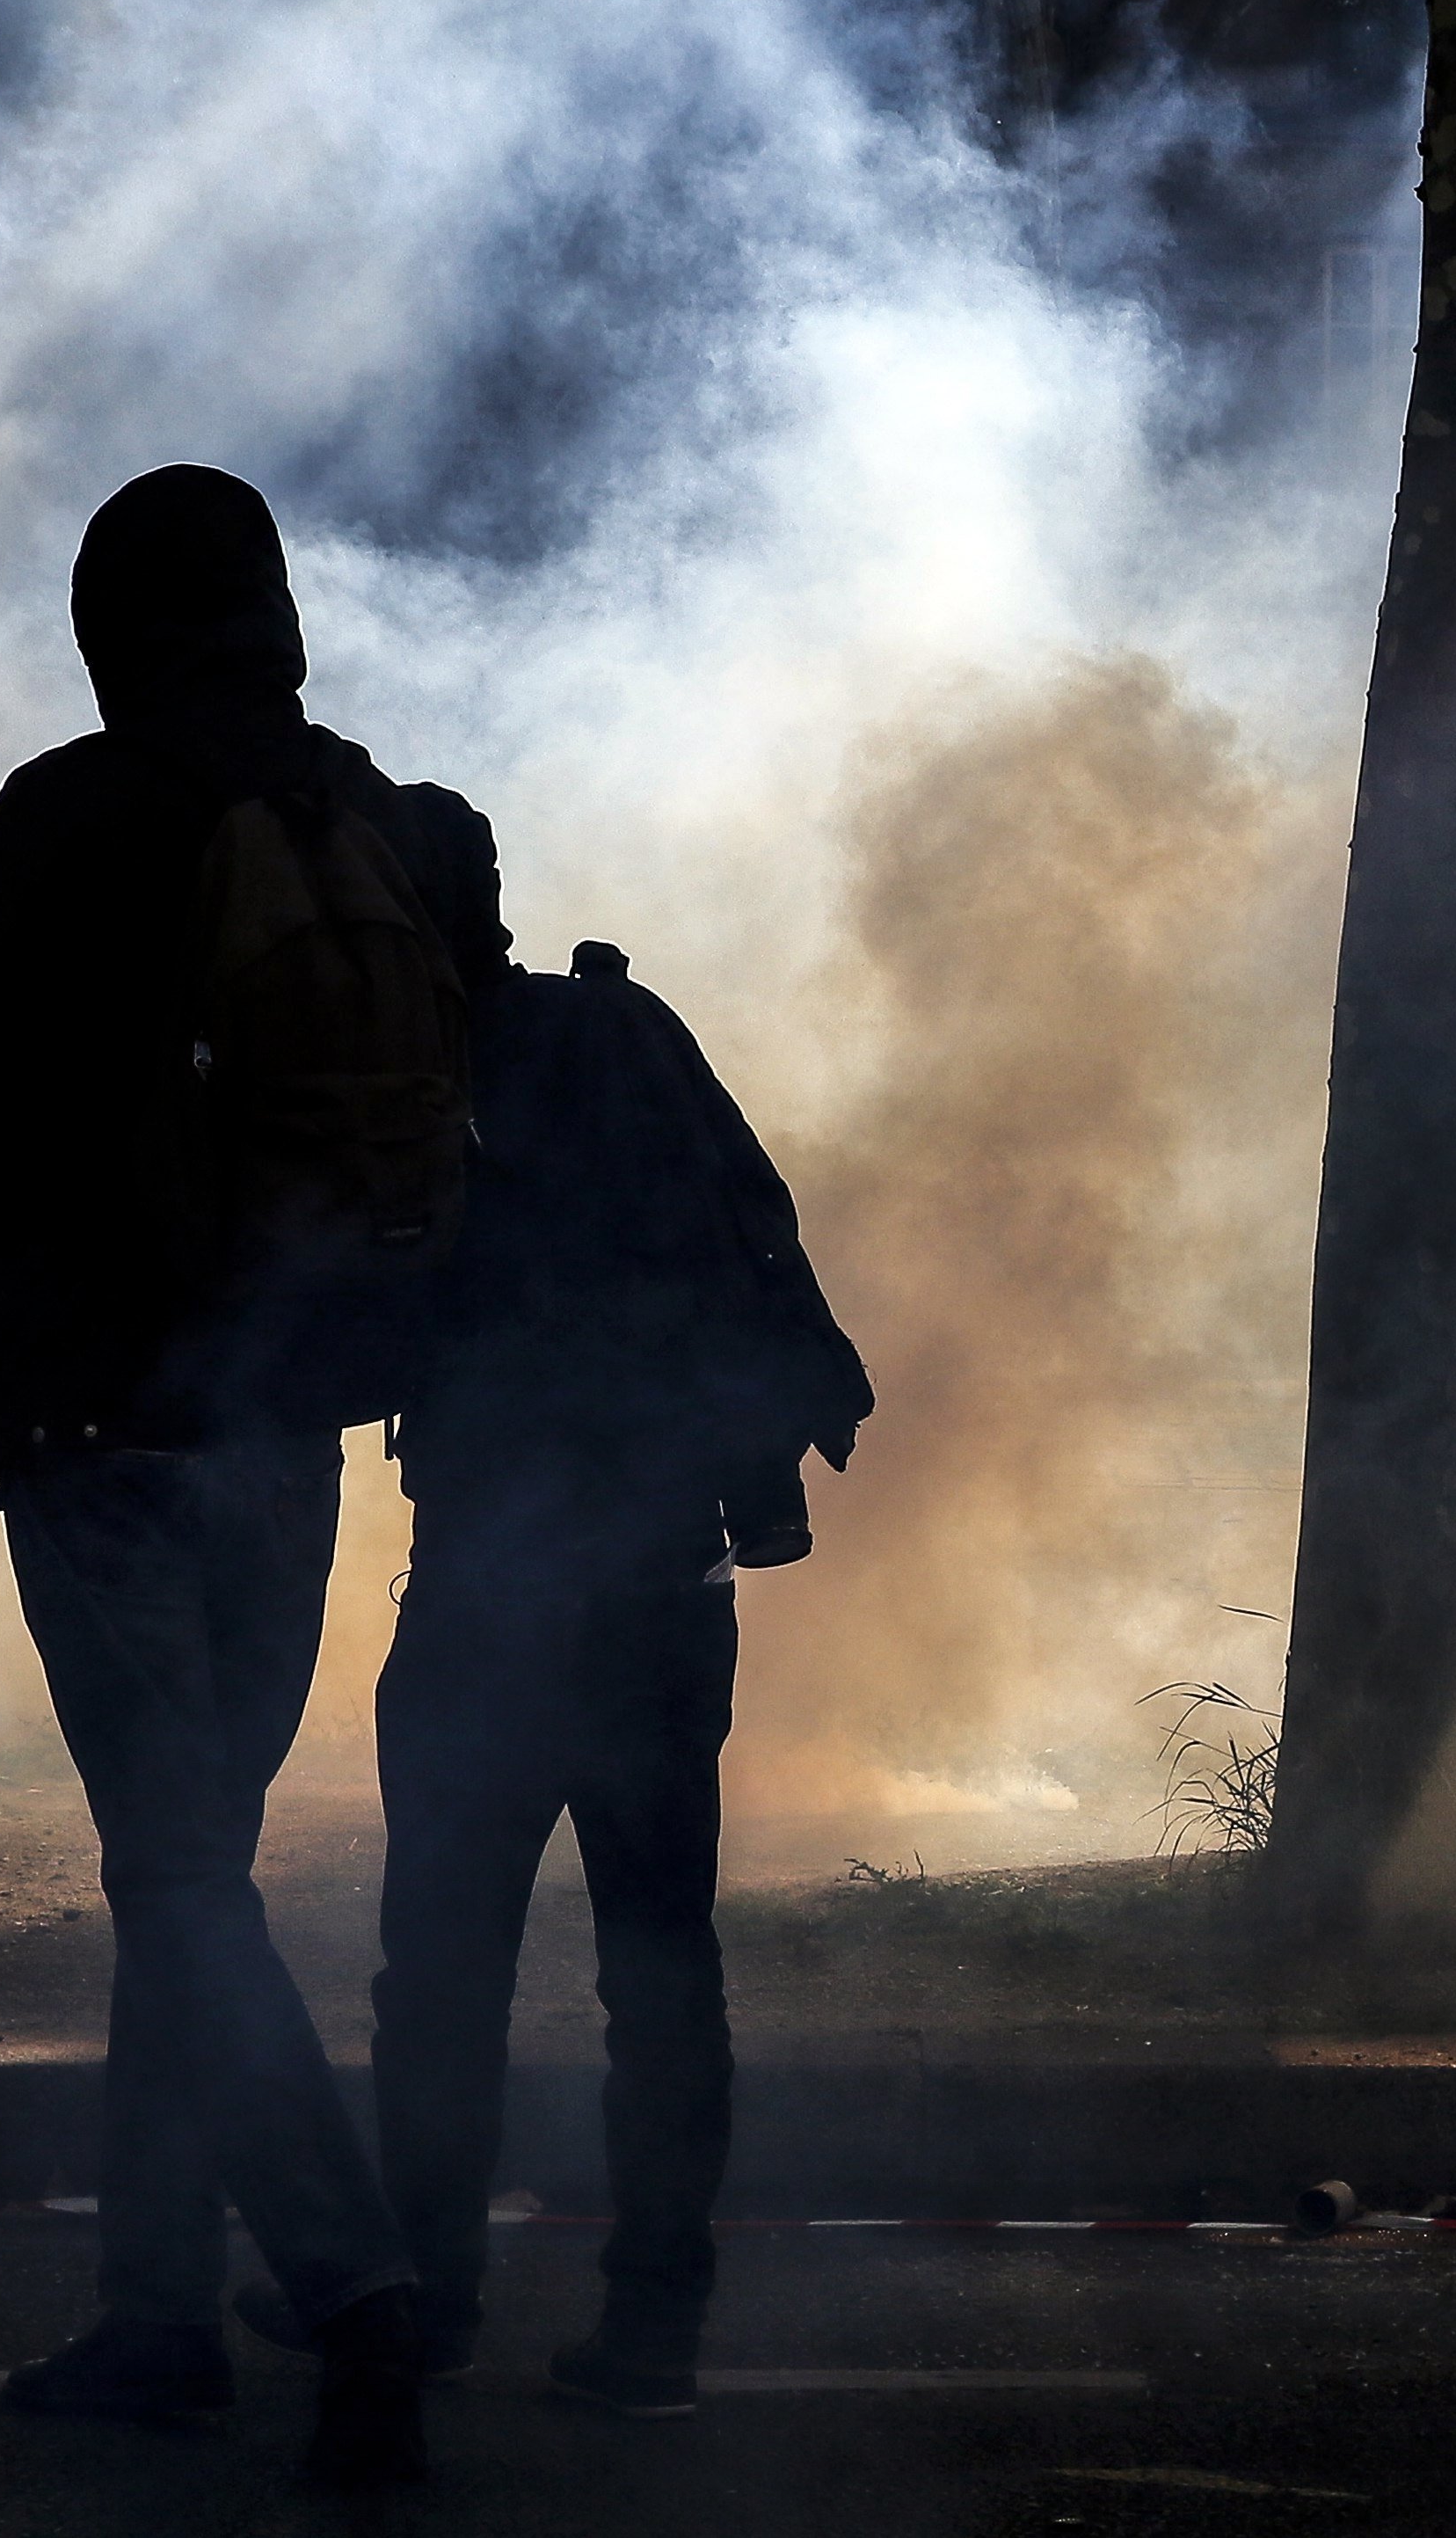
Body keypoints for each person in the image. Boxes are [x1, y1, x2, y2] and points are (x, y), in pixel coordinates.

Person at [0, 465, 482, 2487]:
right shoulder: (370, 812)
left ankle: (347, 2283)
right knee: (191, 1870)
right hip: (289, 1426)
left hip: (105, 1428)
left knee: (172, 1871)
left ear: (108, 621)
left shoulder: (74, 814)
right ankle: (155, 2314)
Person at [366, 832, 873, 2419]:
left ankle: (428, 2301)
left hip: (491, 1602)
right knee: (660, 1970)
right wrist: (757, 1469)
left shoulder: (416, 1089)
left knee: (442, 1972)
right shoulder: (619, 1035)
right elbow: (751, 1233)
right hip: (660, 1589)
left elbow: (343, 1309)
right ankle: (655, 2324)